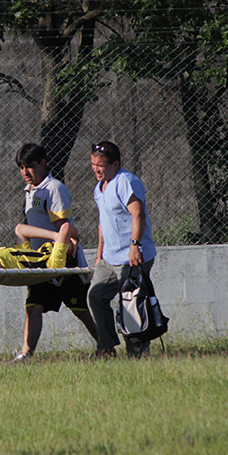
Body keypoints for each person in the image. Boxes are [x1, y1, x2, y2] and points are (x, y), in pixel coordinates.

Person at [10, 143, 98, 364]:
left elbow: (65, 227)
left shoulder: (54, 188)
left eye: (29, 166)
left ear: (42, 163)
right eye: (21, 167)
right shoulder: (31, 191)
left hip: (64, 261)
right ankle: (26, 355)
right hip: (42, 261)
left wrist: (69, 244)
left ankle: (105, 344)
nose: (25, 172)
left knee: (81, 309)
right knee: (33, 307)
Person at [87, 140, 158, 358]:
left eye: (102, 165)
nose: (96, 169)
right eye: (93, 164)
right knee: (95, 297)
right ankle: (106, 347)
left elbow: (138, 214)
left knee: (131, 304)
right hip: (109, 258)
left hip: (132, 257)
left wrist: (135, 246)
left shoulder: (126, 181)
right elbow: (103, 223)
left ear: (115, 164)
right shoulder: (100, 188)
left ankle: (138, 354)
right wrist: (99, 255)